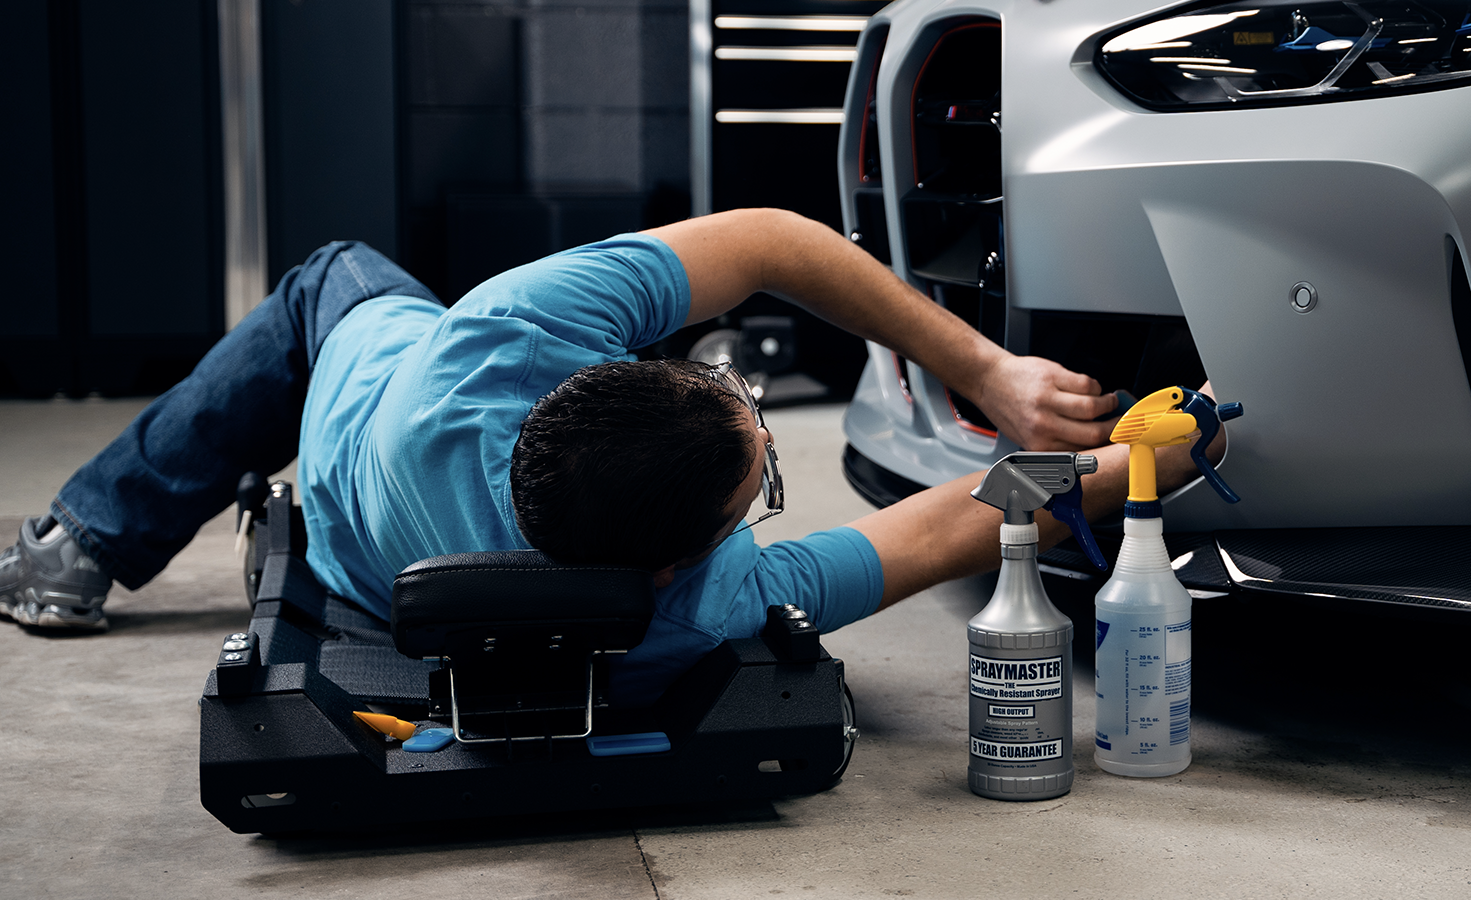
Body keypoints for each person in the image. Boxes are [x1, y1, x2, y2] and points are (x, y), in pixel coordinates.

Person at [0, 209, 1211, 704]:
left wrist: (989, 376)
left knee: (329, 279)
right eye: (762, 481)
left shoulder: (505, 329)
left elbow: (777, 243)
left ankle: (84, 539)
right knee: (328, 284)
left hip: (377, 423)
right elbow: (959, 523)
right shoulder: (697, 605)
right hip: (368, 380)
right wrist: (1150, 458)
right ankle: (96, 525)